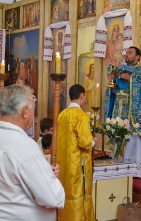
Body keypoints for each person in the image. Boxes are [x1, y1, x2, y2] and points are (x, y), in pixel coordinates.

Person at [0, 84, 65, 221]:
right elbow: (54, 197)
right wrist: (50, 179)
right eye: (33, 109)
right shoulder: (24, 146)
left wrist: (44, 171)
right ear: (25, 111)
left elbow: (6, 181)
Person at [105, 46, 141, 176]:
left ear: (137, 57)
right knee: (118, 140)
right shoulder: (119, 70)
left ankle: (134, 170)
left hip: (132, 114)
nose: (126, 55)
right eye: (126, 52)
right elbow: (114, 91)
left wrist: (131, 79)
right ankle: (118, 167)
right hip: (118, 110)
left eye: (130, 52)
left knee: (132, 140)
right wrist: (112, 82)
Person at [57, 84, 97, 221]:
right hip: (77, 165)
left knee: (66, 192)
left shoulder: (62, 115)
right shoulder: (81, 116)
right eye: (85, 96)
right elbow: (85, 143)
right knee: (78, 194)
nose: (85, 99)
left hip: (64, 164)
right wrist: (94, 141)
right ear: (81, 95)